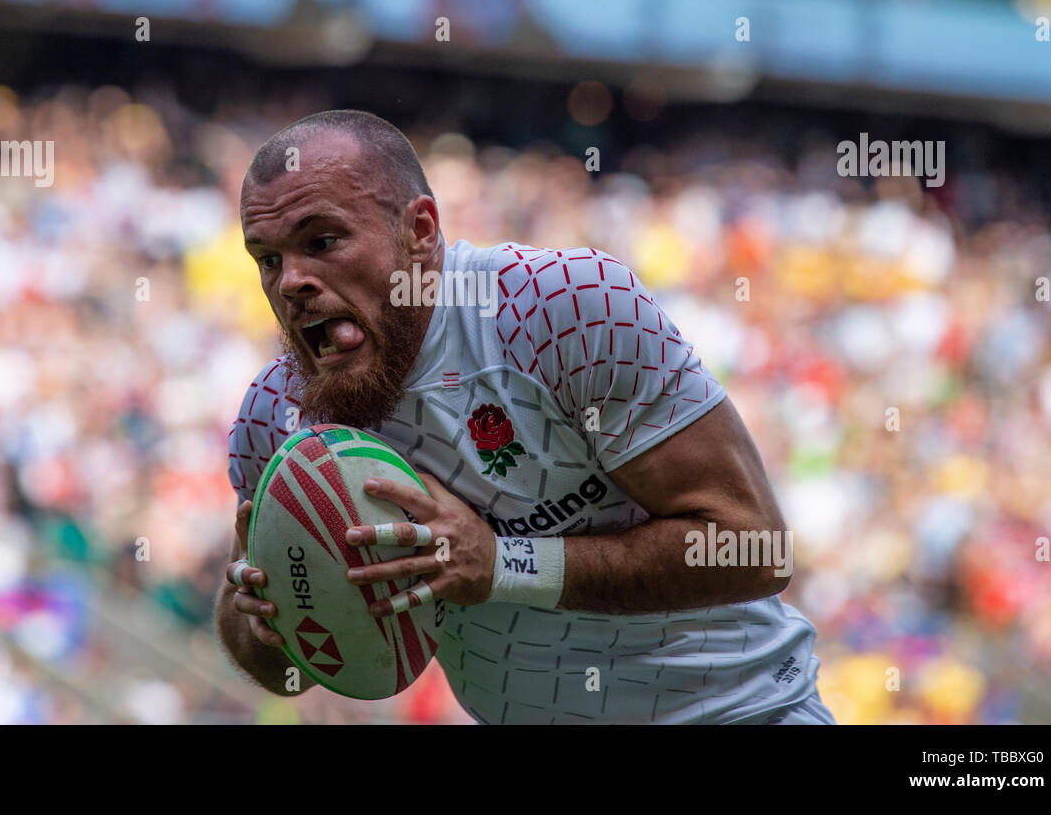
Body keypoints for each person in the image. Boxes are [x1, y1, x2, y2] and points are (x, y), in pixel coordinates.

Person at [216, 109, 835, 724]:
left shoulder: (564, 307)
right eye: (266, 259)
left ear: (421, 230)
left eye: (321, 242)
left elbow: (753, 548)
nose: (291, 281)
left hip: (742, 712)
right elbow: (284, 670)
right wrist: (264, 621)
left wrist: (503, 564)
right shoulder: (280, 422)